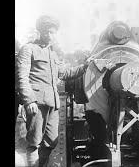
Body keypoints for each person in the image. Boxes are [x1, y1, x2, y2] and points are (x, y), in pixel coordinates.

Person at [16, 15, 87, 167]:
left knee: (51, 141)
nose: (50, 35)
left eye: (53, 32)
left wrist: (85, 66)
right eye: (46, 32)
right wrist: (29, 100)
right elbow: (22, 77)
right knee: (34, 143)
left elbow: (65, 74)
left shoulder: (53, 53)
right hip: (36, 103)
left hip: (53, 104)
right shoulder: (28, 49)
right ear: (40, 31)